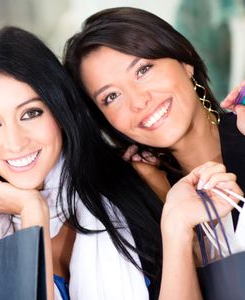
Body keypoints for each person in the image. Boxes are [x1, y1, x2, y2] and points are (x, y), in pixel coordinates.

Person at [0, 26, 241, 300]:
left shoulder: (136, 187)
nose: (15, 142)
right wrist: (32, 214)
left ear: (60, 110)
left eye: (31, 113)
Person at [63, 6, 245, 298]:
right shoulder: (136, 202)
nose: (138, 101)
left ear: (184, 61)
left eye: (143, 70)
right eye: (111, 97)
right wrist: (172, 223)